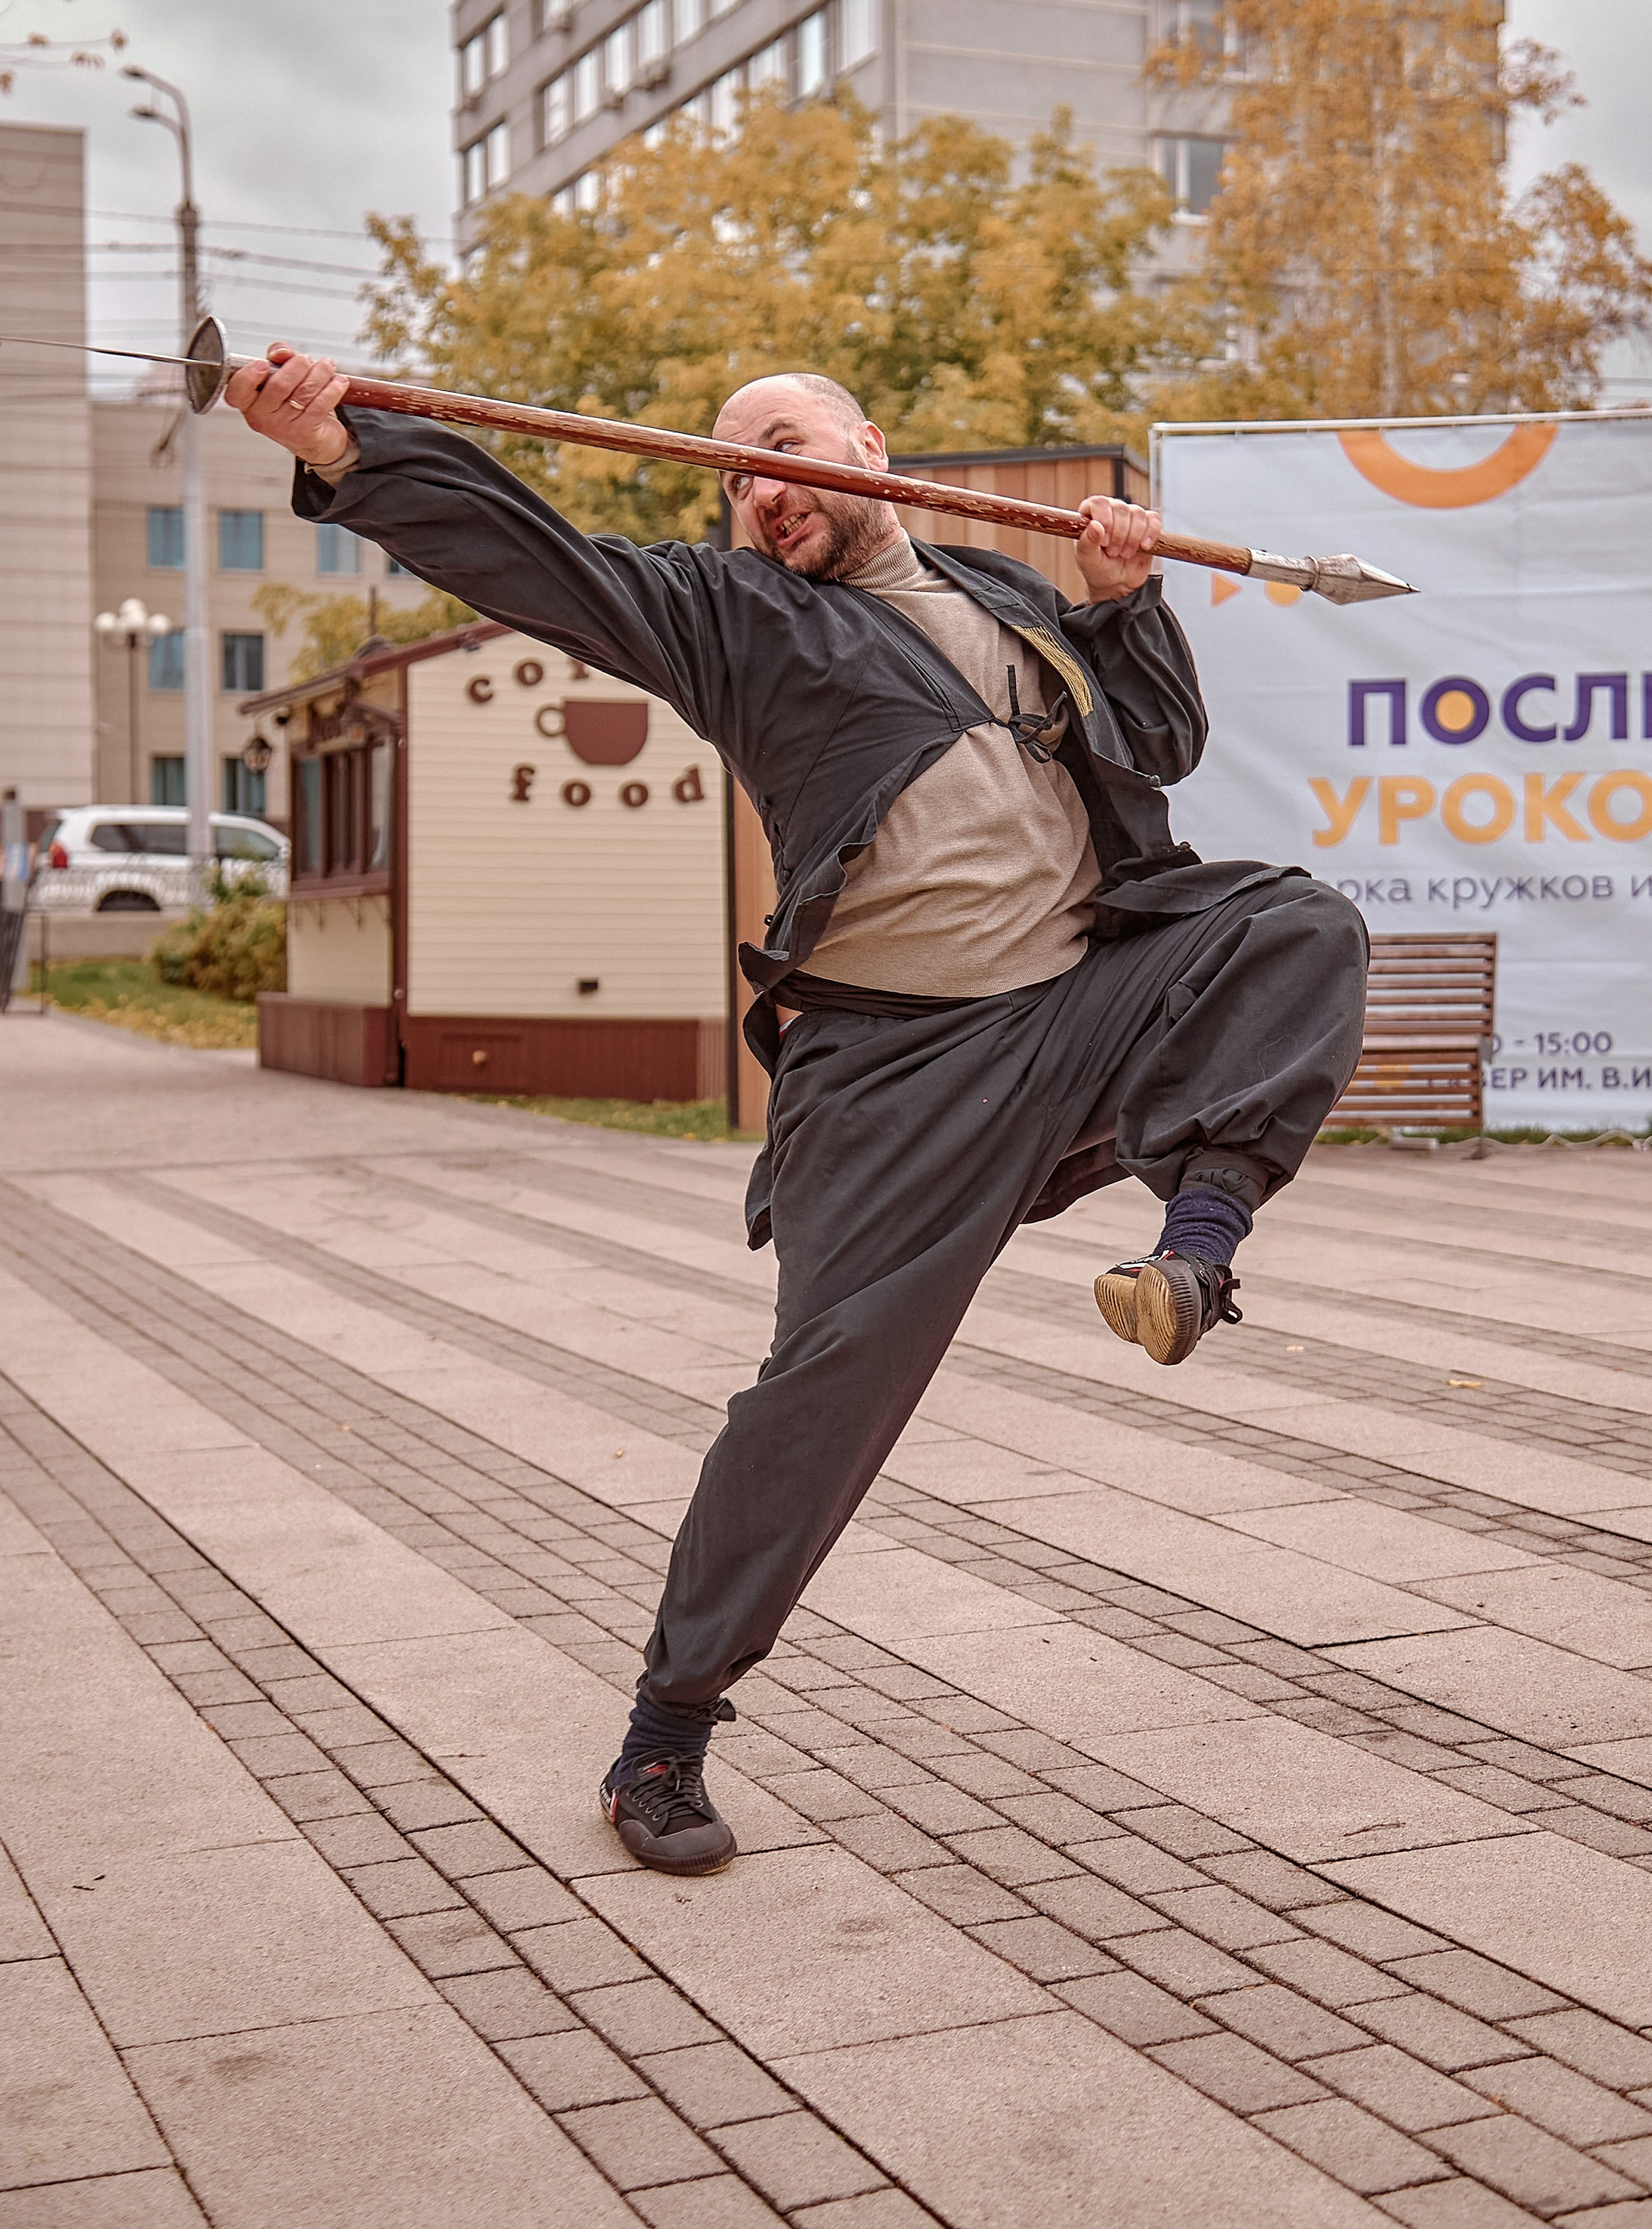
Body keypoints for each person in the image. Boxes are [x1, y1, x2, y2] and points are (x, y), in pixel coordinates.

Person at [230, 346, 1367, 1879]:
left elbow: (1155, 749)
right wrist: (351, 448)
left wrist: (1117, 602)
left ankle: (1198, 1249)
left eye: (782, 447)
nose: (760, 489)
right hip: (887, 1072)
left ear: (867, 447)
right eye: (735, 476)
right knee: (821, 1392)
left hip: (1068, 1013)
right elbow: (550, 565)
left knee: (1293, 923)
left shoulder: (1010, 600)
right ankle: (665, 1729)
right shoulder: (740, 620)